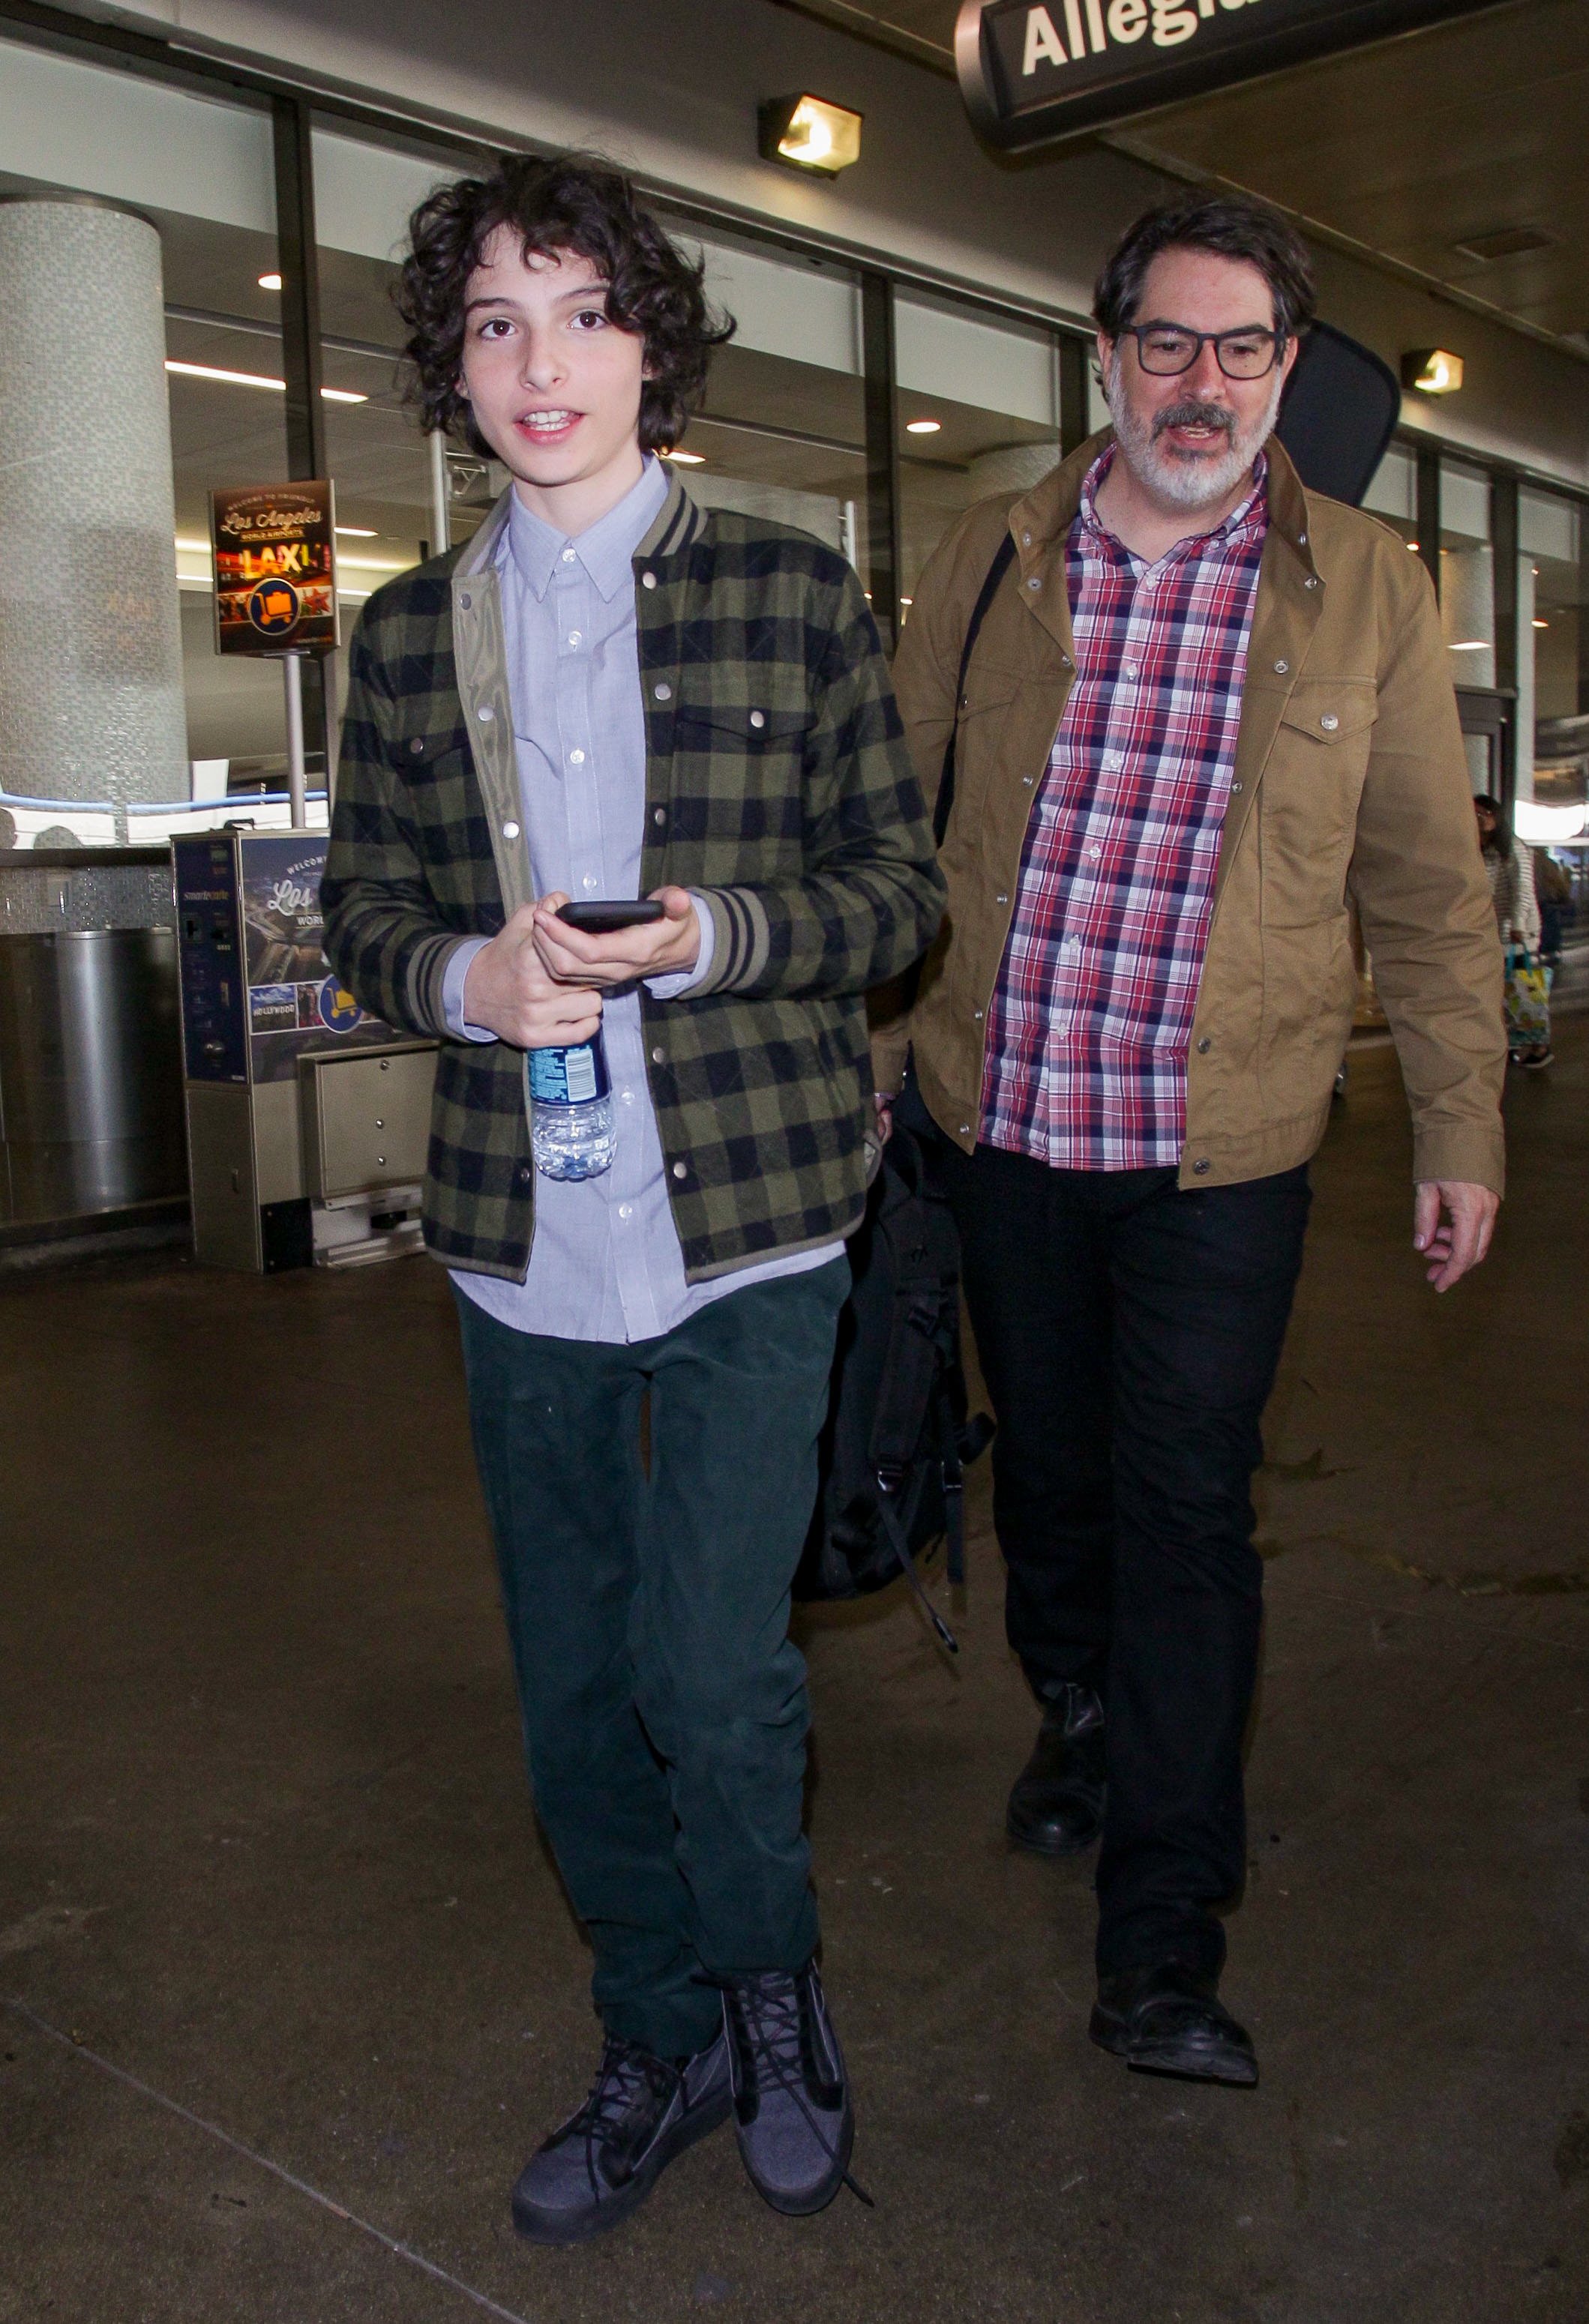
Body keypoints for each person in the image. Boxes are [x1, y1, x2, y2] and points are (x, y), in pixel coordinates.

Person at [322, 153, 943, 2243]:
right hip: (518, 1237)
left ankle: (771, 1996)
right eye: (493, 320)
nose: (537, 360)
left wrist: (709, 933)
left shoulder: (786, 590)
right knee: (573, 1686)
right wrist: (460, 978)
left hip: (753, 1215)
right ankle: (652, 2023)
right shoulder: (410, 635)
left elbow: (895, 891)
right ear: (452, 368)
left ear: (650, 345)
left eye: (579, 311)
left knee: (709, 1666)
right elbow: (360, 908)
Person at [877, 190, 1505, 2089]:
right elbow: (890, 841)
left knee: (1184, 1512)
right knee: (1051, 1481)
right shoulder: (985, 555)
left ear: (1285, 371)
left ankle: (1161, 1936)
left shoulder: (1370, 587)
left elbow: (1421, 879)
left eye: (1241, 349)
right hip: (1000, 1121)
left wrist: (1455, 1118)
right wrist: (864, 1050)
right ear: (1103, 355)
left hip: (1214, 1144)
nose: (1201, 382)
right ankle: (1071, 1703)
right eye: (1166, 342)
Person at [1474, 793, 1551, 1068]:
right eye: (1474, 815)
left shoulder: (1513, 848)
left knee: (1524, 989)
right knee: (1502, 992)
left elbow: (1524, 890)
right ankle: (1512, 1042)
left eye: (1485, 814)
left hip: (1517, 934)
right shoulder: (1478, 852)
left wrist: (1518, 924)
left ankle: (1539, 1046)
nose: (1479, 820)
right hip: (1492, 933)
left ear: (1497, 817)